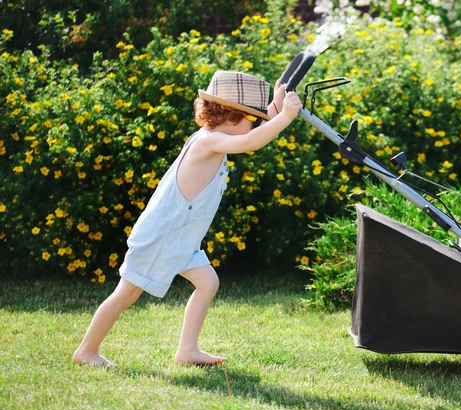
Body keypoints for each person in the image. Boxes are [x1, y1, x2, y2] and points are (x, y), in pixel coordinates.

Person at [73, 71, 303, 367]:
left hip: (181, 237)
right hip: (162, 235)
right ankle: (87, 351)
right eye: (253, 119)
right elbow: (251, 142)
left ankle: (187, 351)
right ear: (232, 117)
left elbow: (250, 132)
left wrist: (275, 107)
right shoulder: (208, 142)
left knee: (207, 282)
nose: (257, 124)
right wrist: (284, 118)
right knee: (126, 293)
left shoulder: (218, 135)